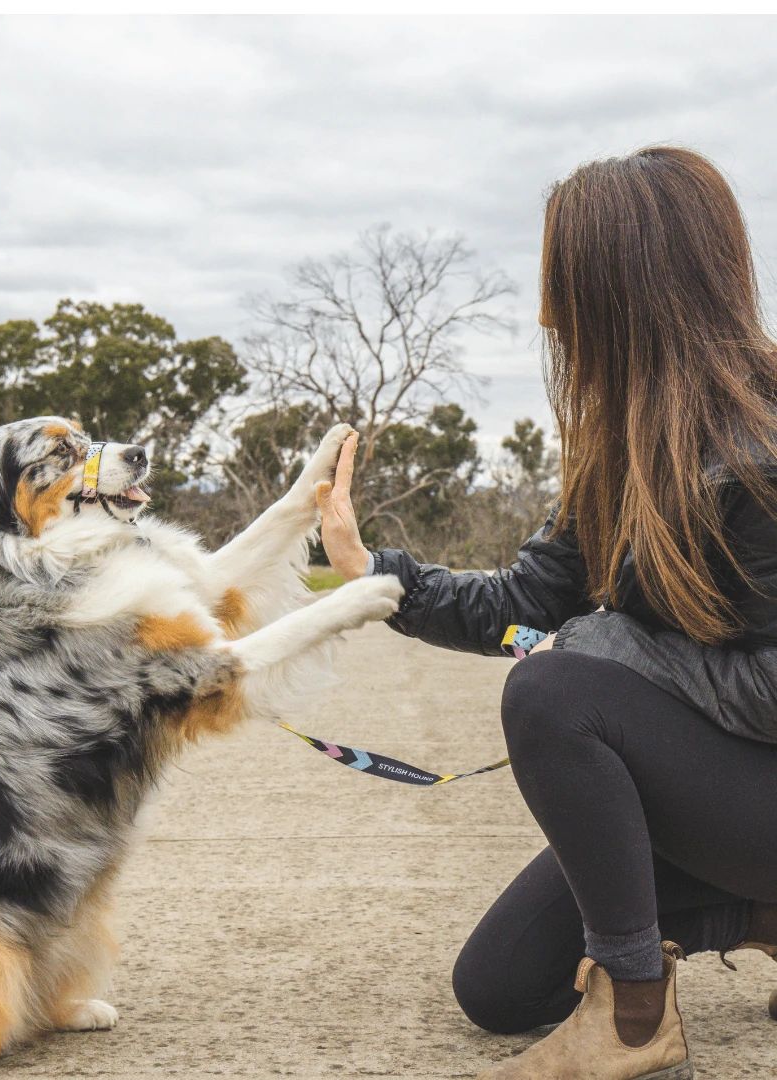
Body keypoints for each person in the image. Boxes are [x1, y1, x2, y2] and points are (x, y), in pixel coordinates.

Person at [315, 146, 777, 1080]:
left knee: (556, 692)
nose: (546, 313)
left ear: (627, 288)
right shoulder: (628, 442)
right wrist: (376, 574)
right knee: (499, 988)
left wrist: (603, 655)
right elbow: (526, 602)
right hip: (723, 803)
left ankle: (636, 1023)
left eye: (562, 282)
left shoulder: (764, 446)